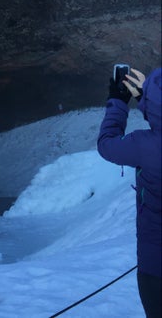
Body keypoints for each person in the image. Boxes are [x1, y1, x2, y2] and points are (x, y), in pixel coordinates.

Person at [98, 66, 161, 318]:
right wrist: (148, 101)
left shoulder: (144, 145)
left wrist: (118, 102)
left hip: (155, 266)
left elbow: (107, 145)